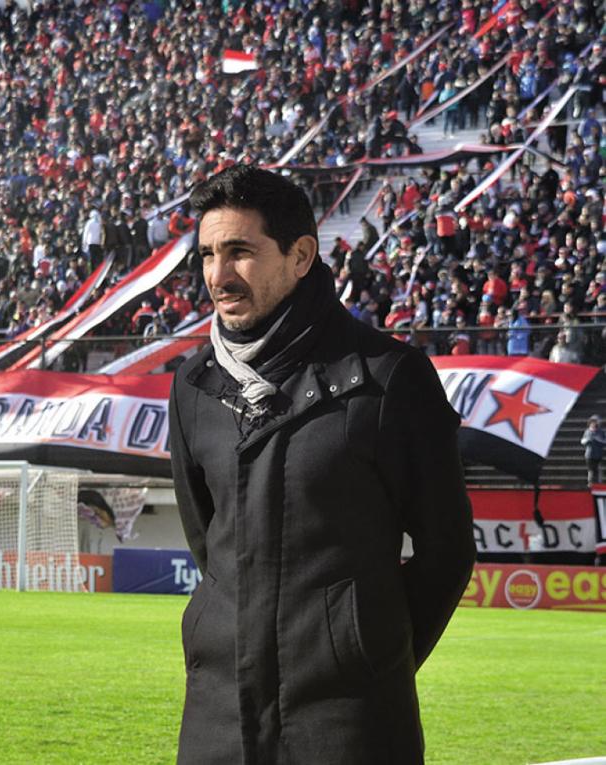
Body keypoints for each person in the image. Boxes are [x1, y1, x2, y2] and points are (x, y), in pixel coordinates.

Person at [168, 166, 475, 764]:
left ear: (302, 255)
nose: (218, 276)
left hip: (347, 720)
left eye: (239, 252)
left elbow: (447, 551)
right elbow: (207, 540)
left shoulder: (390, 378)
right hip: (218, 715)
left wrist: (359, 649)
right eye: (207, 255)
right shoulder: (192, 386)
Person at [580, 416, 606, 485]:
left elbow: (604, 441)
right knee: (590, 470)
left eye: (595, 422)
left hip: (598, 454)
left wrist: (598, 439)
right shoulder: (587, 431)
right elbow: (582, 441)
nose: (593, 424)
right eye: (592, 422)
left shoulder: (601, 432)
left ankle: (599, 484)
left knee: (598, 470)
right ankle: (590, 483)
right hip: (589, 454)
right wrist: (587, 440)